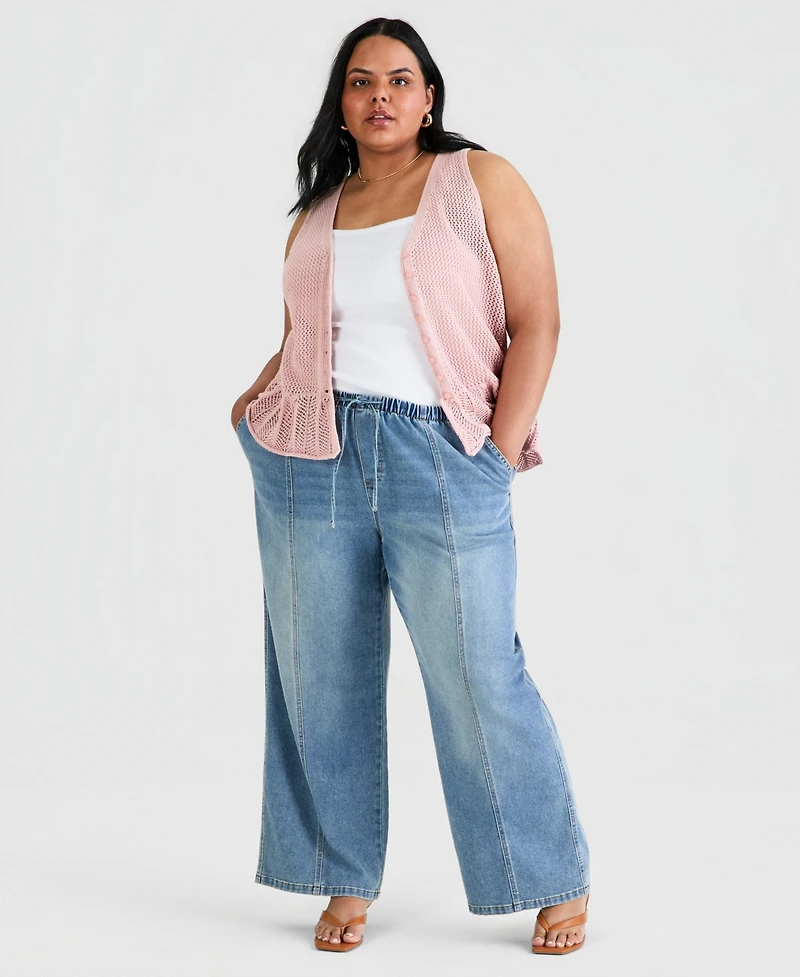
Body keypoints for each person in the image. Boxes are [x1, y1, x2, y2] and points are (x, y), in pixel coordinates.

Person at [230, 17, 591, 956]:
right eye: (361, 81)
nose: (380, 95)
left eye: (399, 79)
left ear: (429, 96)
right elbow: (301, 339)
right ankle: (341, 874)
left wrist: (495, 450)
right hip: (312, 457)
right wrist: (252, 405)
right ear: (342, 103)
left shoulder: (480, 180)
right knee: (320, 676)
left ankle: (549, 874)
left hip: (442, 451)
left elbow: (539, 319)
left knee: (478, 670)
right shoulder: (318, 212)